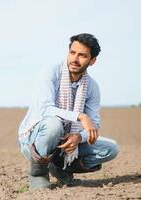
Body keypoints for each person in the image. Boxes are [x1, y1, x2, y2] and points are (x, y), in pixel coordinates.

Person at [17, 33, 119, 190]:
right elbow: (46, 109)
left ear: (92, 61)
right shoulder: (50, 72)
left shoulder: (92, 87)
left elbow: (94, 124)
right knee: (54, 124)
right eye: (72, 53)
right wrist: (80, 116)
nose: (75, 59)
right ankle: (38, 174)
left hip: (65, 142)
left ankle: (59, 167)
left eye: (82, 55)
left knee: (111, 149)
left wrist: (78, 137)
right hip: (34, 139)